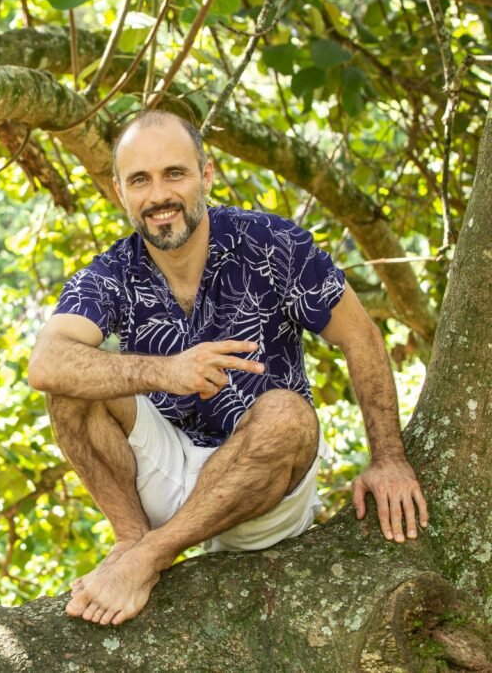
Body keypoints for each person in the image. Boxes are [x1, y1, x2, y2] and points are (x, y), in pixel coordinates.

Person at [27, 110, 428, 627]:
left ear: (206, 175)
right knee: (69, 385)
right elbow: (46, 362)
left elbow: (361, 337)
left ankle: (150, 557)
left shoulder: (274, 243)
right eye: (140, 180)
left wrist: (389, 459)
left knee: (289, 415)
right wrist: (166, 372)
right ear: (120, 192)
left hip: (261, 491)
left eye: (175, 173)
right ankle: (131, 540)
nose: (159, 195)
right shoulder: (112, 271)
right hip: (167, 473)